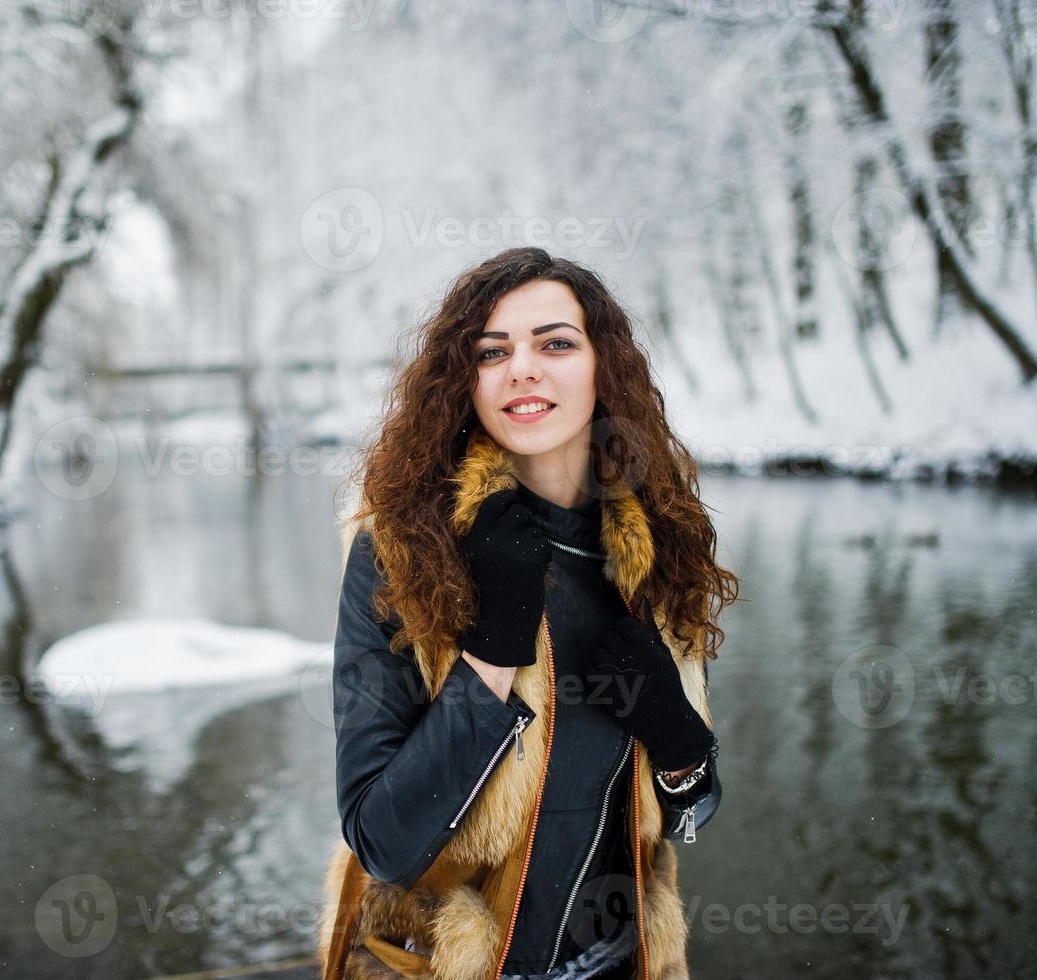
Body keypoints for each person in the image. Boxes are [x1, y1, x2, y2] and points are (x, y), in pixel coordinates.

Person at [316, 247, 739, 980]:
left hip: (621, 964)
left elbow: (692, 815)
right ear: (464, 381)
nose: (523, 368)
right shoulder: (402, 552)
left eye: (555, 343)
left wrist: (677, 740)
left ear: (602, 365)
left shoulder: (655, 554)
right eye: (492, 351)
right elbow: (381, 841)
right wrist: (490, 652)